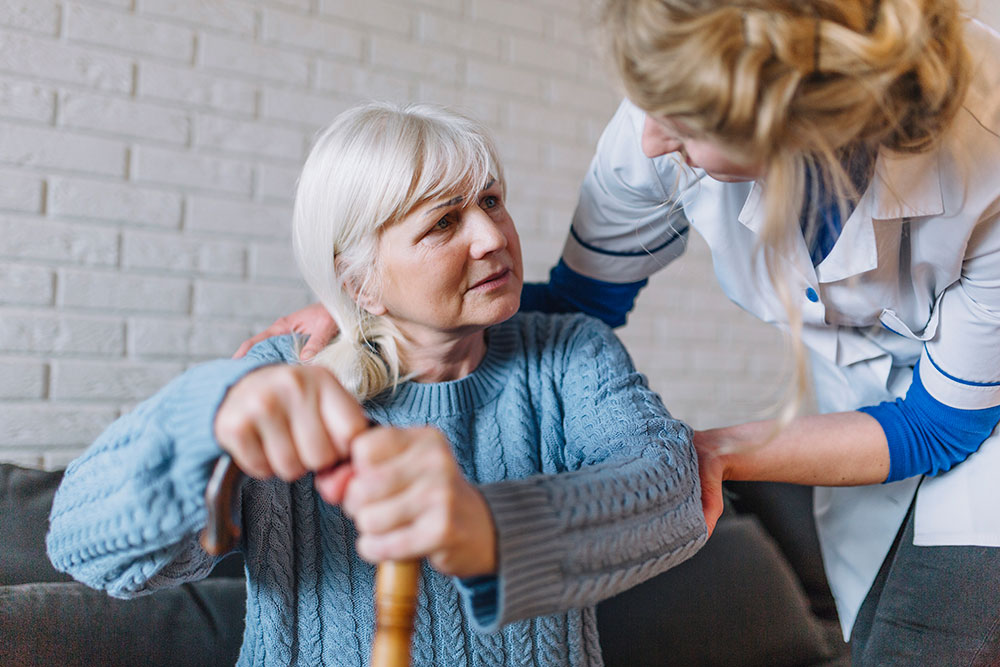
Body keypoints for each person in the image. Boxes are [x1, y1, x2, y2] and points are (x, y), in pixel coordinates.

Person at [239, 2, 1000, 663]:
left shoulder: (985, 145)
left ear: (785, 121)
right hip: (870, 404)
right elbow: (577, 303)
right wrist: (369, 317)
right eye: (442, 221)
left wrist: (711, 452)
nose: (650, 139)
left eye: (681, 126)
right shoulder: (654, 118)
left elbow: (940, 423)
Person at [46, 102, 707, 667]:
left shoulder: (568, 353)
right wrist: (204, 419)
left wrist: (485, 525)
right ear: (359, 281)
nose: (492, 235)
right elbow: (84, 546)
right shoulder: (282, 380)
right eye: (443, 222)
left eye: (491, 201)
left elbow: (673, 489)